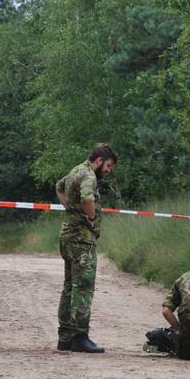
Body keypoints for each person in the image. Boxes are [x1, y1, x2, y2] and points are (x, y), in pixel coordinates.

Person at [55, 143, 117, 353]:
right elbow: (87, 198)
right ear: (99, 161)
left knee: (69, 287)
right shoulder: (89, 176)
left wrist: (69, 208)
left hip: (67, 236)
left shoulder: (76, 170)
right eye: (108, 166)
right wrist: (90, 218)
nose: (108, 170)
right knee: (83, 288)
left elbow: (59, 186)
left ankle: (64, 337)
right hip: (82, 240)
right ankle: (80, 337)